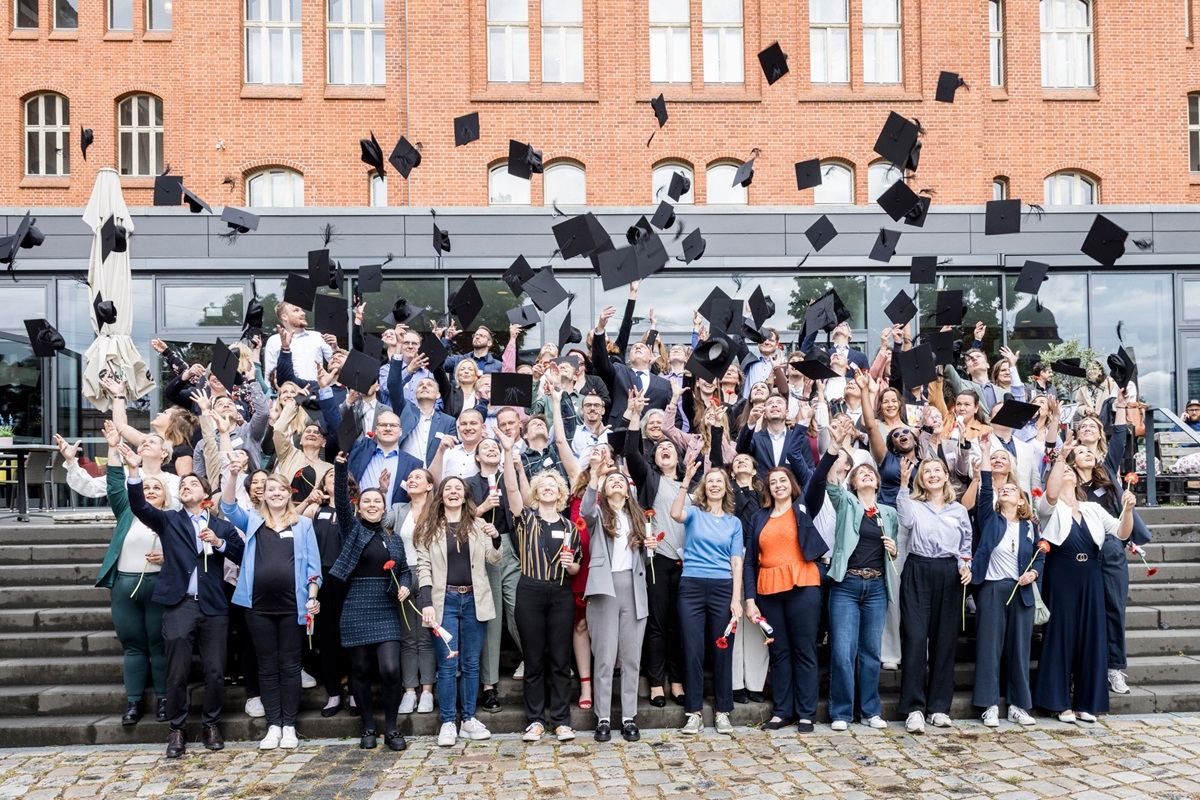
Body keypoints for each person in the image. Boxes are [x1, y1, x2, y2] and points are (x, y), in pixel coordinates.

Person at [122, 445, 244, 759]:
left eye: (192, 484)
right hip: (179, 604)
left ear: (205, 493)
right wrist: (135, 471)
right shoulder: (169, 521)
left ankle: (211, 724)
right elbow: (139, 507)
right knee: (176, 672)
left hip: (214, 606)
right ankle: (177, 728)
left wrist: (217, 544)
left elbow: (242, 554)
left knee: (216, 671)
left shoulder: (221, 526)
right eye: (183, 485)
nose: (186, 487)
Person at [221, 462, 322, 751]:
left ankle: (289, 726)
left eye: (281, 489)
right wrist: (231, 475)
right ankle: (273, 726)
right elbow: (228, 507)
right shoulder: (253, 520)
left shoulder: (302, 524)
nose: (275, 493)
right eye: (270, 489)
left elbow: (314, 568)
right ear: (262, 495)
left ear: (290, 494)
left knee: (290, 667)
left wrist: (312, 597)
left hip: (293, 606)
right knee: (266, 667)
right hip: (257, 607)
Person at [806, 415, 897, 731]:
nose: (867, 476)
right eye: (861, 474)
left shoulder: (889, 514)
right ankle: (842, 713)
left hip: (876, 586)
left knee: (871, 653)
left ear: (877, 481)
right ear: (853, 483)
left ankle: (870, 710)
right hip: (846, 584)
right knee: (843, 652)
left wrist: (893, 549)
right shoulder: (845, 501)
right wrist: (838, 444)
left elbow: (891, 551)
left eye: (871, 473)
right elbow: (830, 479)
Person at [1034, 449, 1135, 723]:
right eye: (1062, 470)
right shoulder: (1048, 507)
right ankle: (1059, 703)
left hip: (1091, 572)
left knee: (1092, 635)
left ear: (1078, 481)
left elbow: (1122, 532)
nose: (1067, 471)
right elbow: (1052, 494)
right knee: (1061, 634)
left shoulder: (1092, 508)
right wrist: (1059, 459)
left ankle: (1087, 702)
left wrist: (1129, 509)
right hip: (1061, 572)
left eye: (1069, 470)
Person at [499, 441, 583, 742]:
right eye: (543, 485)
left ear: (561, 493)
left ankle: (561, 721)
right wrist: (508, 451)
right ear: (536, 492)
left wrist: (571, 563)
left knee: (560, 659)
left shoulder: (571, 527)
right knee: (534, 659)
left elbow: (574, 570)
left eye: (553, 485)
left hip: (561, 593)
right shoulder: (526, 519)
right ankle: (534, 720)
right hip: (530, 592)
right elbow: (510, 489)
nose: (548, 488)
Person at [328, 454, 412, 751]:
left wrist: (406, 587)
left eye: (377, 501)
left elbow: (406, 572)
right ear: (359, 507)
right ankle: (367, 727)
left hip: (386, 607)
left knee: (390, 669)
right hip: (356, 606)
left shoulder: (395, 539)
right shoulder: (352, 530)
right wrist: (340, 468)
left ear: (384, 506)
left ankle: (391, 729)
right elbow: (340, 499)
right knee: (360, 670)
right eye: (367, 502)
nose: (373, 505)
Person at [414, 475, 502, 746]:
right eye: (448, 489)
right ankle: (449, 722)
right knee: (448, 664)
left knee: (471, 664)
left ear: (465, 497)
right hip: (444, 603)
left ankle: (469, 720)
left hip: (475, 601)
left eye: (458, 489)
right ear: (441, 497)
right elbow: (424, 568)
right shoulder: (429, 526)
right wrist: (426, 602)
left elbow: (493, 559)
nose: (453, 492)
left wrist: (496, 538)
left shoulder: (478, 524)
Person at [93, 423, 168, 726]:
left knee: (159, 643)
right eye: (145, 488)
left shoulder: (171, 518)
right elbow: (114, 485)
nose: (150, 492)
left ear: (166, 495)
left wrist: (167, 557)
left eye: (156, 488)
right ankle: (134, 702)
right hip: (125, 584)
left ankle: (164, 699)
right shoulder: (128, 510)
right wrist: (113, 448)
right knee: (133, 643)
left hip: (159, 585)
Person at [743, 467, 827, 732]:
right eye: (773, 482)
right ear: (767, 489)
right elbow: (748, 562)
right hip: (768, 590)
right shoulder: (759, 517)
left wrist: (834, 448)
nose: (778, 485)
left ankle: (805, 713)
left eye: (783, 480)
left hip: (802, 585)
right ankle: (782, 712)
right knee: (778, 652)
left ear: (792, 485)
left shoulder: (804, 507)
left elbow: (818, 479)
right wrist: (749, 599)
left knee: (804, 651)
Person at [580, 450, 654, 743]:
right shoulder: (598, 513)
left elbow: (645, 558)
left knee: (631, 656)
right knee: (605, 656)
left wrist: (650, 547)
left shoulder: (638, 516)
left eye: (620, 481)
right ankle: (603, 718)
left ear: (628, 489)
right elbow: (585, 511)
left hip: (633, 589)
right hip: (604, 588)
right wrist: (596, 476)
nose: (616, 484)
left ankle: (628, 717)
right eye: (611, 481)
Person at [971, 436, 1043, 728]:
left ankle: (1018, 705)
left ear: (1022, 500)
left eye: (1012, 489)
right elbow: (988, 486)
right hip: (992, 588)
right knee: (989, 646)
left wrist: (1034, 573)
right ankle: (988, 705)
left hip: (1021, 589)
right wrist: (987, 452)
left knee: (1019, 648)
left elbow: (1040, 556)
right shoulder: (990, 519)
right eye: (1004, 490)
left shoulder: (1028, 526)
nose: (1006, 491)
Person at [896, 457, 972, 734]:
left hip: (948, 573)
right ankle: (914, 709)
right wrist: (903, 485)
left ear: (945, 476)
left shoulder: (958, 510)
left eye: (936, 470)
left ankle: (939, 707)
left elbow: (966, 545)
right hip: (918, 569)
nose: (931, 475)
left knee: (945, 640)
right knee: (916, 639)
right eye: (926, 471)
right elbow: (904, 520)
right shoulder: (914, 504)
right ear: (920, 479)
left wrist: (966, 566)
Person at [670, 461, 744, 736]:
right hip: (691, 586)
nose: (714, 485)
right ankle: (694, 713)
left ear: (726, 489)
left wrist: (736, 599)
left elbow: (737, 562)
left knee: (722, 650)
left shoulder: (734, 523)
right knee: (692, 649)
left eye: (719, 482)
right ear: (704, 487)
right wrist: (686, 479)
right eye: (710, 481)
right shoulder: (694, 513)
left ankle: (723, 712)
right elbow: (674, 513)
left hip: (723, 588)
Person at [297, 467, 354, 717]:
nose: (334, 478)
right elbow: (291, 521)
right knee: (328, 638)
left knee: (352, 637)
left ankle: (354, 691)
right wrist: (308, 500)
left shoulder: (355, 509)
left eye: (339, 475)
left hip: (349, 579)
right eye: (330, 475)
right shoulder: (314, 509)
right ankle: (333, 693)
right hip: (322, 579)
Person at [382, 469, 438, 716]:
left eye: (418, 477)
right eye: (410, 477)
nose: (412, 480)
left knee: (425, 636)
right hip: (404, 574)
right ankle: (409, 692)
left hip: (431, 575)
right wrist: (383, 494)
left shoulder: (438, 509)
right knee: (407, 636)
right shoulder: (397, 508)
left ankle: (426, 691)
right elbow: (380, 524)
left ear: (429, 485)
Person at [264, 305, 334, 389]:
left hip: (316, 392)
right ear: (284, 317)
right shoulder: (274, 341)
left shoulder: (317, 337)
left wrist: (335, 348)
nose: (303, 313)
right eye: (296, 311)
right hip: (289, 396)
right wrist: (271, 397)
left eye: (302, 310)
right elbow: (269, 373)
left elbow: (335, 362)